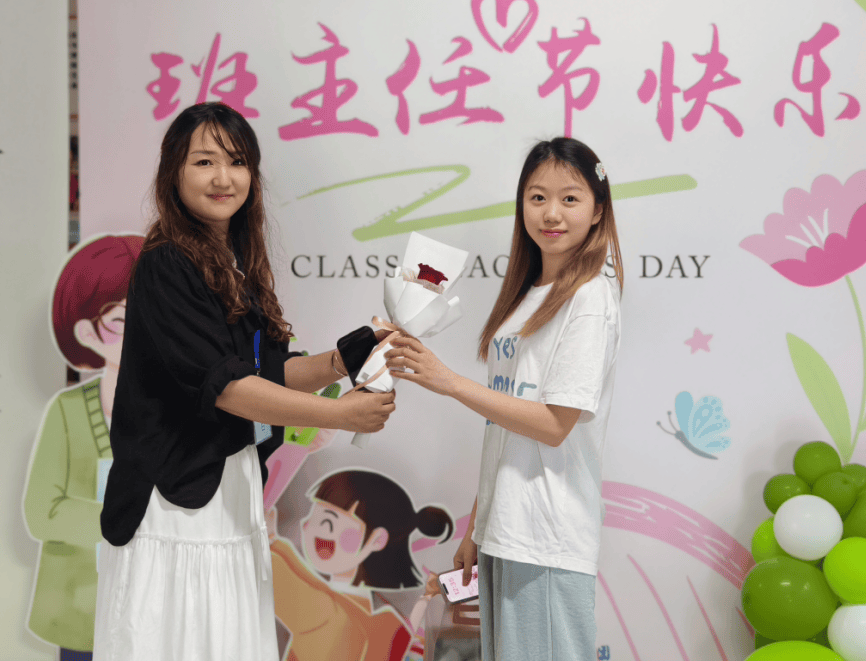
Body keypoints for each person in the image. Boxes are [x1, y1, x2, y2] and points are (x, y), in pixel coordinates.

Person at [92, 102, 396, 661]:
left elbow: (267, 372)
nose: (223, 177)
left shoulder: (234, 262)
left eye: (237, 162)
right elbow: (229, 389)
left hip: (230, 492)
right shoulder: (165, 264)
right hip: (173, 506)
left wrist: (345, 358)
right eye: (204, 161)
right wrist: (340, 413)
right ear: (173, 172)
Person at [386, 137, 623, 661]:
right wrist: (479, 524)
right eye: (537, 197)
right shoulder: (526, 298)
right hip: (505, 531)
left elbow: (554, 424)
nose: (551, 213)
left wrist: (448, 381)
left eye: (570, 198)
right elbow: (505, 426)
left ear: (597, 210)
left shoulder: (589, 298)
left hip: (548, 535)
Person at [24, 233, 142, 661]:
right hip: (81, 610)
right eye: (124, 320)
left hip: (155, 607)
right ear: (86, 332)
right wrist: (130, 522)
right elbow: (42, 511)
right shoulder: (69, 412)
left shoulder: (180, 409)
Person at [268, 468, 453, 661]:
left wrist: (270, 544)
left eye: (328, 523)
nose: (307, 526)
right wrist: (273, 541)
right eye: (313, 518)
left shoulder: (333, 615)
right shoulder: (372, 619)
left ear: (377, 539)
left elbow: (294, 585)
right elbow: (309, 583)